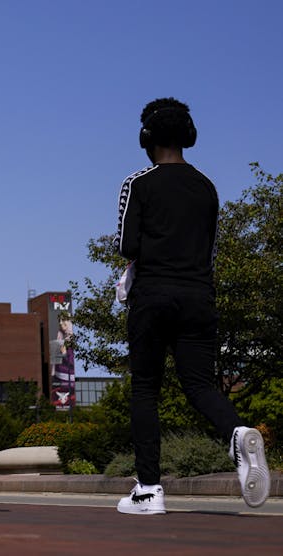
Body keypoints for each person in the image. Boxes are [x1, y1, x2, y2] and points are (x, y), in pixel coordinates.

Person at [113, 97, 270, 514]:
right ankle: (236, 432)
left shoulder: (139, 183)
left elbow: (126, 245)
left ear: (145, 136)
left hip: (154, 297)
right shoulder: (207, 187)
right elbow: (210, 250)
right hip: (200, 296)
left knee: (146, 387)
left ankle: (148, 490)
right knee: (199, 383)